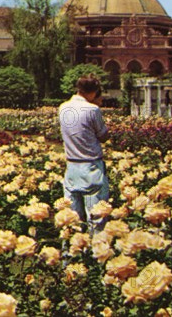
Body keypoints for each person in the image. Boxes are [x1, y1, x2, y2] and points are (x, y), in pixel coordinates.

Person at [58, 74, 110, 233]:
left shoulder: (63, 107)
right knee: (96, 217)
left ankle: (71, 253)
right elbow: (103, 136)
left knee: (72, 219)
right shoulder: (93, 110)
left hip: (72, 166)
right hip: (91, 166)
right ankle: (96, 251)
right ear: (94, 92)